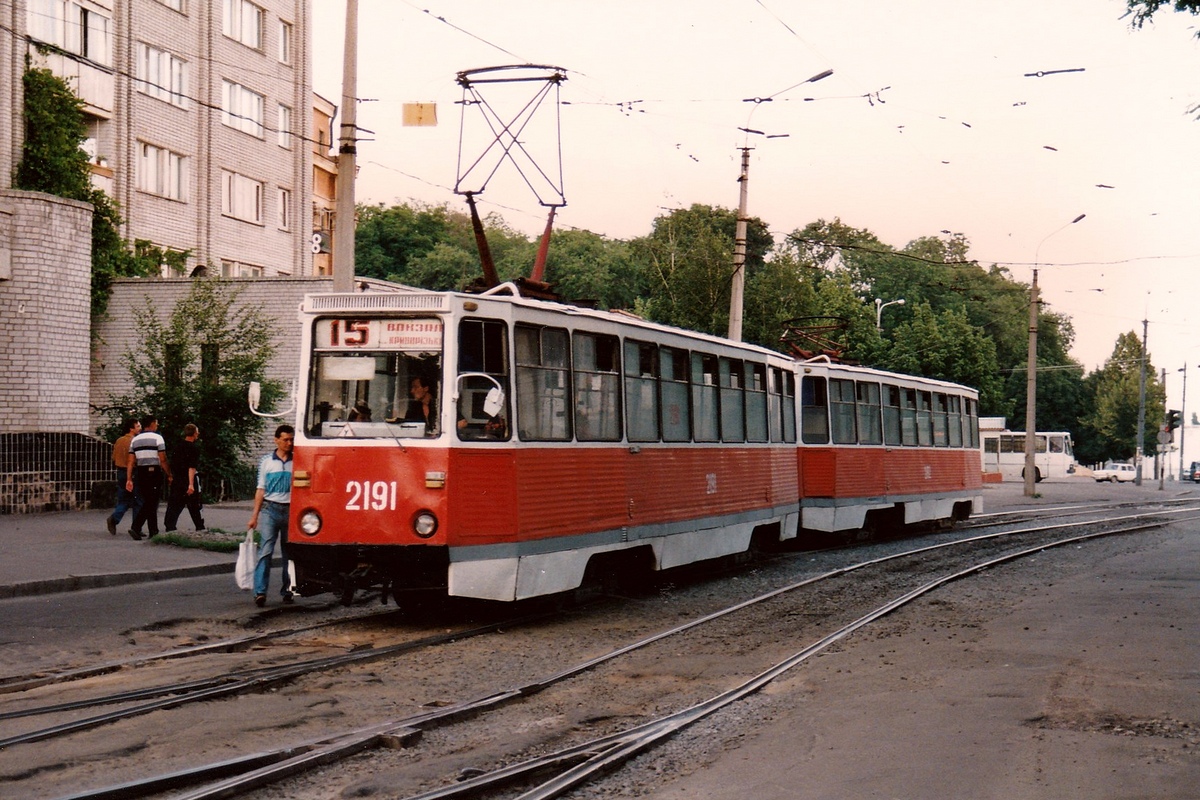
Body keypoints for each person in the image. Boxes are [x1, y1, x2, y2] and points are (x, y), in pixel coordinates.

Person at [248, 424, 294, 607]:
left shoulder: (297, 460)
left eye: (291, 439)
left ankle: (288, 590)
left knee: (289, 553)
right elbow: (260, 490)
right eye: (285, 440)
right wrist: (254, 516)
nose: (289, 443)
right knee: (265, 551)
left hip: (291, 510)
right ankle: (260, 592)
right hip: (270, 510)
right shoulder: (267, 461)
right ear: (276, 440)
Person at [126, 415, 172, 540]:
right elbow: (162, 459)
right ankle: (136, 526)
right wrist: (169, 474)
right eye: (156, 423)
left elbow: (130, 461)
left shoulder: (135, 440)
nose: (157, 426)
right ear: (152, 424)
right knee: (152, 501)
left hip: (140, 472)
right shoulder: (158, 438)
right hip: (154, 471)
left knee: (149, 500)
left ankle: (153, 531)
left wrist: (129, 478)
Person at [164, 423, 205, 533]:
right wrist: (191, 484)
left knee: (175, 503)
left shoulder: (177, 446)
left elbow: (172, 463)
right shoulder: (194, 448)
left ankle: (169, 525)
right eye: (197, 432)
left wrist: (171, 476)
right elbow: (191, 467)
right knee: (194, 504)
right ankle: (199, 526)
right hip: (188, 479)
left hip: (177, 478)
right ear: (194, 433)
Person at [107, 417, 142, 536]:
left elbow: (113, 457)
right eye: (137, 426)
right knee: (137, 499)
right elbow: (134, 459)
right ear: (131, 428)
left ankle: (115, 518)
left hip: (120, 470)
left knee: (123, 498)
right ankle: (136, 527)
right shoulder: (135, 441)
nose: (140, 428)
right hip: (132, 472)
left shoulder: (119, 440)